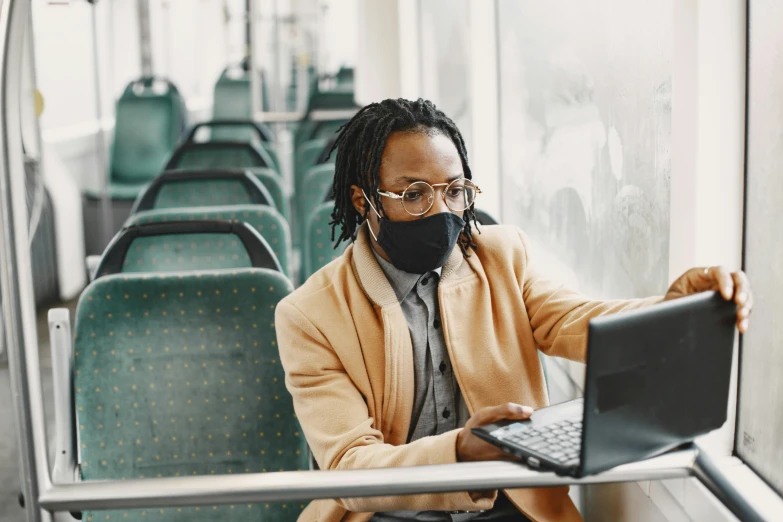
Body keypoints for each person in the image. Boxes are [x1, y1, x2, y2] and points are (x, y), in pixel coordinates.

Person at [275, 98, 752, 522]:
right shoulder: (310, 316)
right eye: (415, 194)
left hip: (513, 507)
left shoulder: (502, 256)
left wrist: (671, 309)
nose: (442, 210)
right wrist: (460, 451)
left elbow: (573, 319)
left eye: (455, 190)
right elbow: (351, 464)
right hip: (386, 515)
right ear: (365, 202)